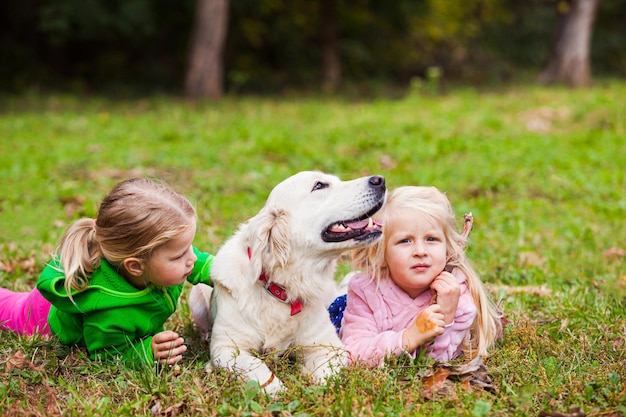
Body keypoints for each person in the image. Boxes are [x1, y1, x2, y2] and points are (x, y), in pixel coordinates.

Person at [0, 178, 214, 367]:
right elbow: (108, 356)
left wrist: (222, 271)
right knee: (6, 308)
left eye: (190, 247)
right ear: (136, 266)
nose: (192, 258)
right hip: (40, 317)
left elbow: (204, 264)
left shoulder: (168, 262)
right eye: (179, 255)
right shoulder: (110, 314)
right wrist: (147, 351)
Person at [336, 186, 502, 367]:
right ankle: (343, 288)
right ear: (382, 254)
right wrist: (408, 338)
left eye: (431, 239)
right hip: (350, 305)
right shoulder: (365, 291)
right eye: (405, 241)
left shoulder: (456, 296)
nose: (420, 252)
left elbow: (433, 364)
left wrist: (445, 317)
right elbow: (352, 354)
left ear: (447, 249)